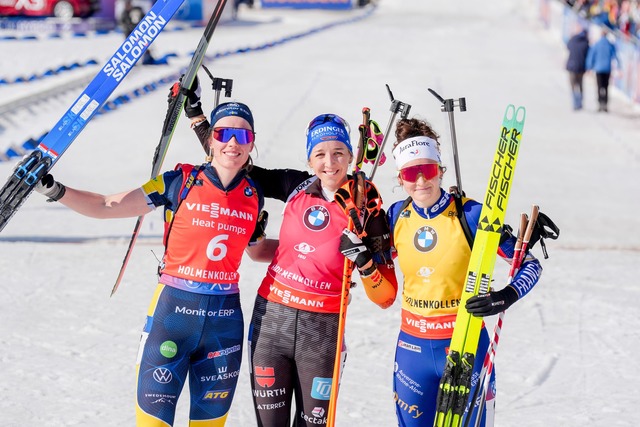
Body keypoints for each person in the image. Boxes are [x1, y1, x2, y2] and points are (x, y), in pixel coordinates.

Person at [35, 102, 264, 427]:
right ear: (211, 139)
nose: (233, 142)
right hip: (172, 316)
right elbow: (105, 205)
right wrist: (56, 190)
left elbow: (270, 238)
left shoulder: (256, 194)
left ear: (252, 142)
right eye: (223, 133)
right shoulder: (178, 181)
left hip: (224, 326)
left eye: (242, 135)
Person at [183, 86, 398, 426]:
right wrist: (198, 119)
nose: (329, 163)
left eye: (339, 152)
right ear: (309, 158)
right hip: (271, 319)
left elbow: (386, 297)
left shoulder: (366, 206)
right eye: (321, 154)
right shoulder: (295, 185)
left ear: (350, 155)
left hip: (323, 329)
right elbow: (233, 162)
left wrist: (365, 262)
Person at [385, 117, 543, 427]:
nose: (420, 181)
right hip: (411, 350)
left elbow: (530, 265)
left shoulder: (470, 214)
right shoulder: (394, 216)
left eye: (428, 170)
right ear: (400, 177)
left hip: (465, 345)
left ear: (440, 170)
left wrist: (504, 297)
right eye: (409, 173)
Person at [586, 29, 619, 112]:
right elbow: (615, 56)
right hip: (607, 69)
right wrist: (619, 68)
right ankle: (605, 105)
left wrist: (589, 67)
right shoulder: (610, 44)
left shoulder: (596, 44)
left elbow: (591, 56)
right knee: (606, 87)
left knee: (599, 87)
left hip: (598, 69)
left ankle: (600, 104)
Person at [120, 0, 157, 65]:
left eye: (128, 4)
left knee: (144, 45)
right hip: (129, 34)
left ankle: (147, 59)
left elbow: (144, 17)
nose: (127, 6)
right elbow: (123, 23)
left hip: (139, 32)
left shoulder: (137, 10)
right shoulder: (124, 13)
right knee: (131, 48)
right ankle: (130, 61)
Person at [566, 25, 590, 110]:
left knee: (573, 86)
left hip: (572, 66)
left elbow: (568, 46)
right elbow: (588, 54)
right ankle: (579, 103)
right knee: (580, 85)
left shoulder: (572, 40)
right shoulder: (586, 43)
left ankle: (575, 103)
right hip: (581, 67)